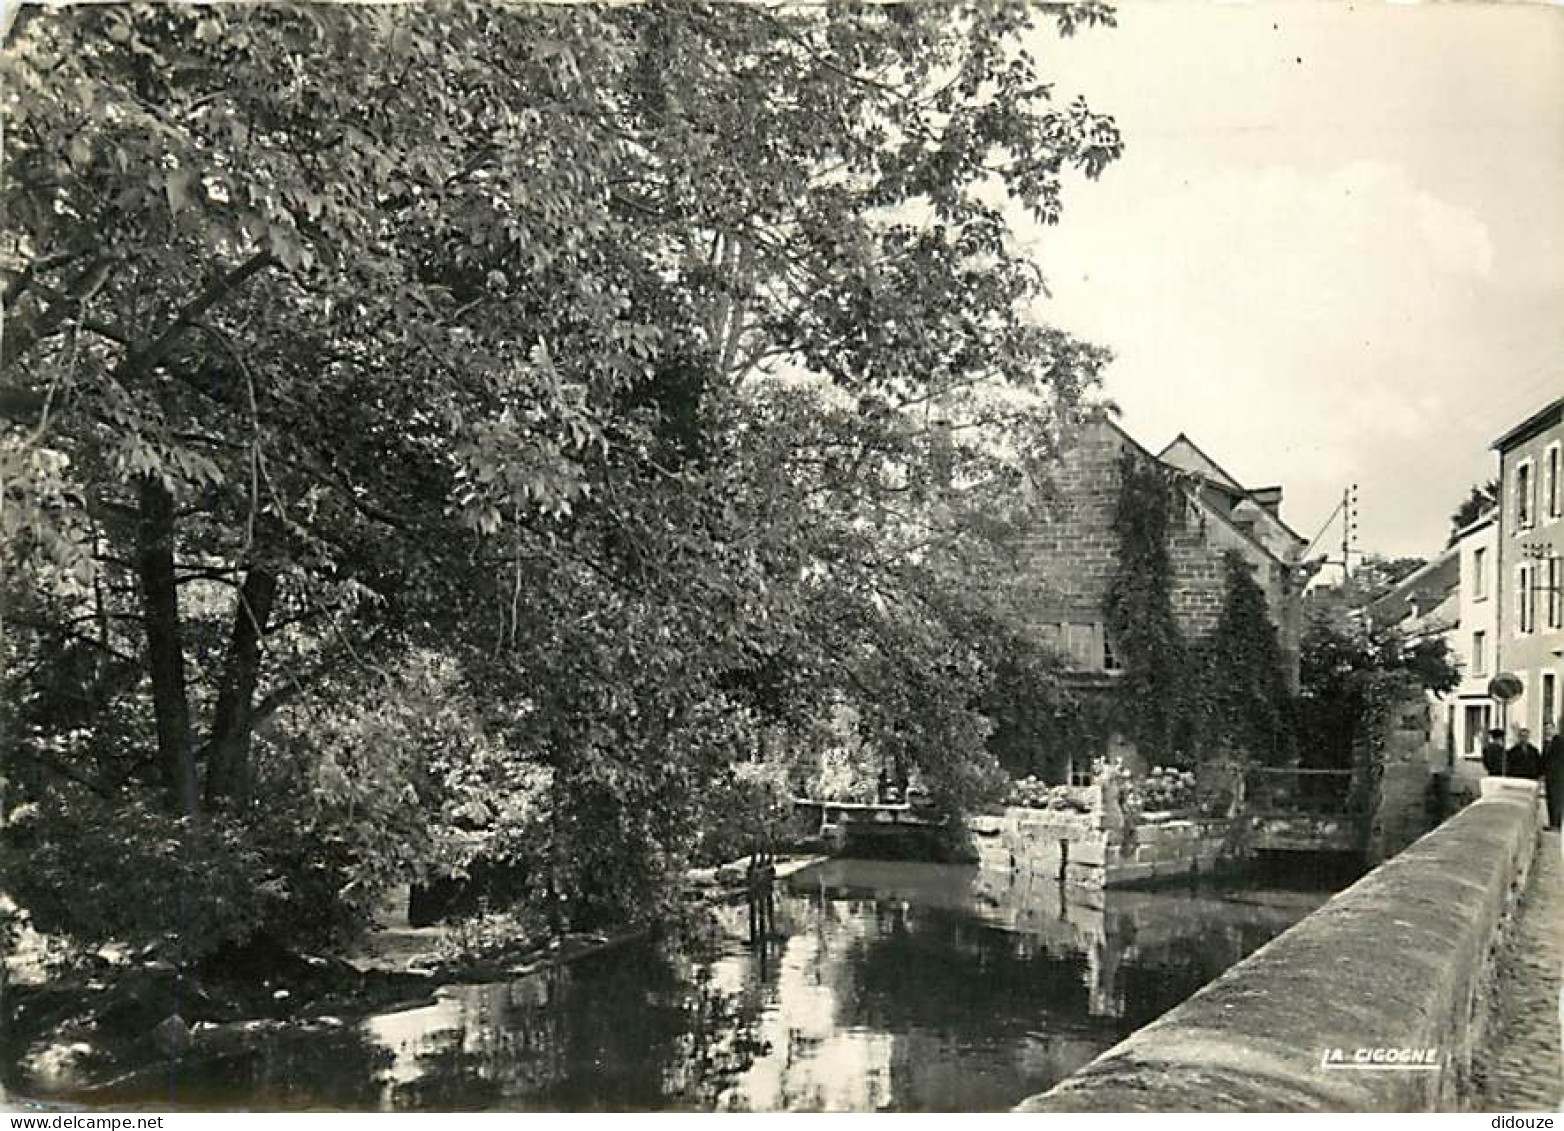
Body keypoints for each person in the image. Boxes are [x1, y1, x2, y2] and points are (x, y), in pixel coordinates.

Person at [1542, 719, 1564, 831]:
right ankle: (1552, 823)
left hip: (1558, 777)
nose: (1547, 731)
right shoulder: (1546, 743)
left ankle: (1556, 824)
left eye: (1549, 729)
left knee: (1557, 800)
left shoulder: (1560, 742)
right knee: (1550, 799)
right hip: (1549, 777)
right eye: (1545, 729)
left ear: (1554, 729)